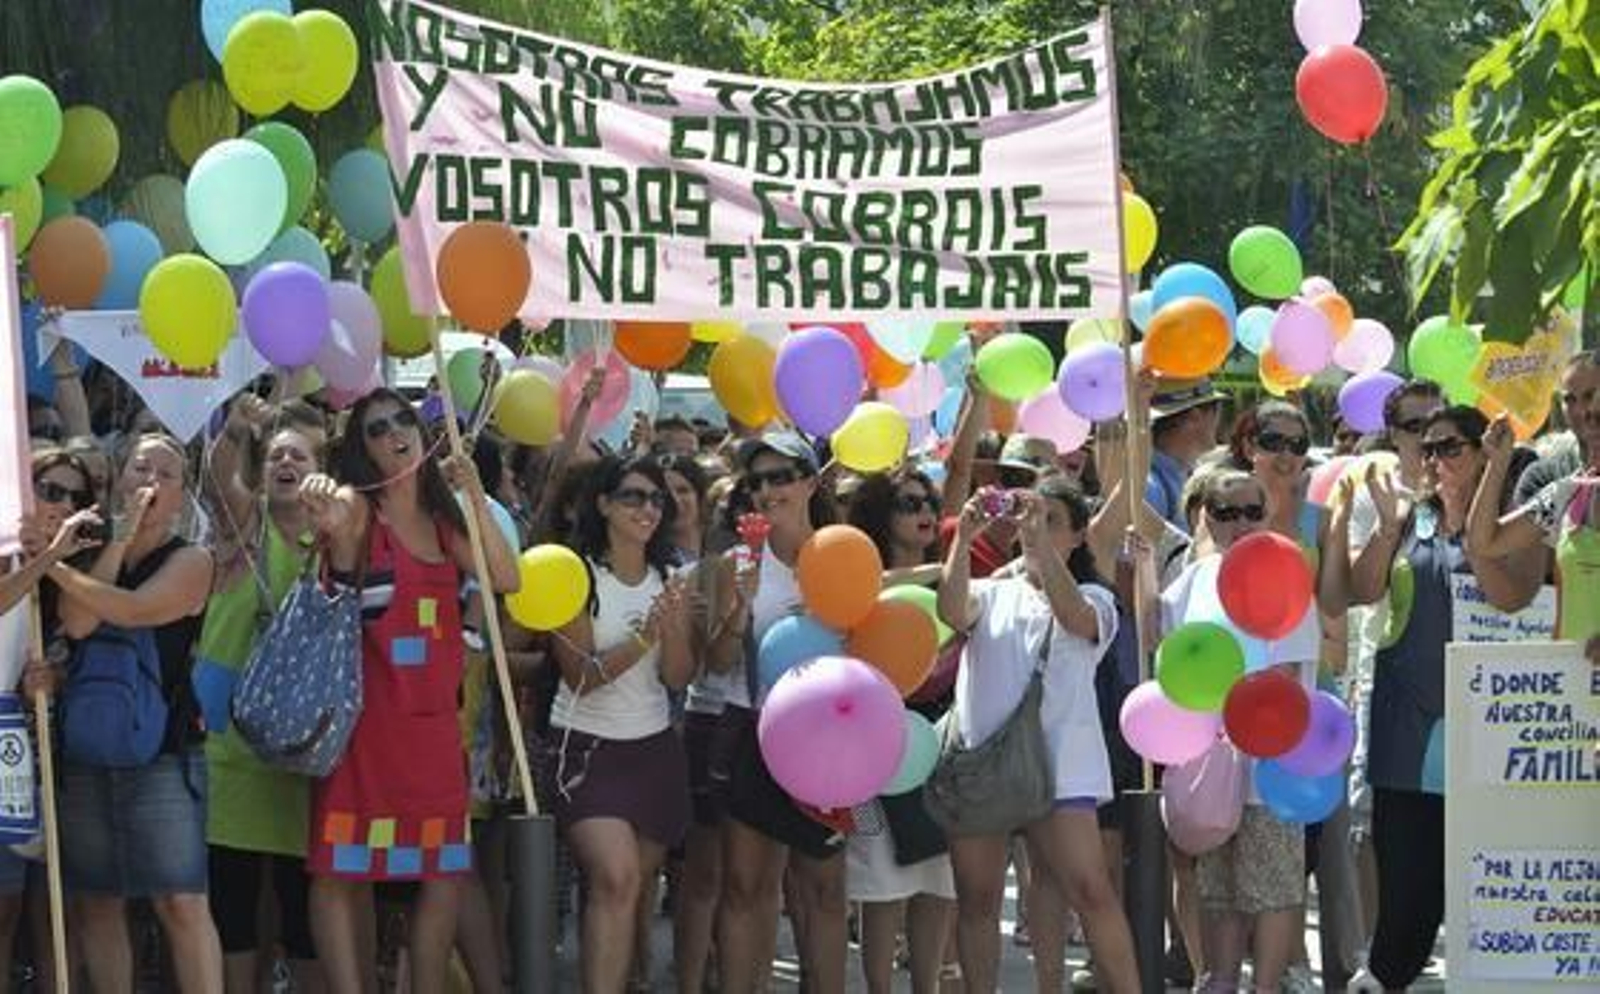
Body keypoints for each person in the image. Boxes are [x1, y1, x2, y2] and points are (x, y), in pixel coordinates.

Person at [297, 389, 520, 992]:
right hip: (364, 731)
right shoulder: (358, 510)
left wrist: (474, 493)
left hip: (432, 733)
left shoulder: (446, 523)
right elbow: (331, 513)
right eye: (377, 428)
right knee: (339, 873)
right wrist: (322, 500)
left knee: (444, 873)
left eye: (404, 420)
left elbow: (508, 576)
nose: (396, 432)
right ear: (360, 448)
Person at [1342, 405, 1544, 993]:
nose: (1434, 460)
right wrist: (1384, 528)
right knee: (1407, 893)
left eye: (1450, 447)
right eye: (1426, 449)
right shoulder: (1409, 522)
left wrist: (1473, 527)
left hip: (1495, 734)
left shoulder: (1521, 522)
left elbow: (1512, 598)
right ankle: (1380, 981)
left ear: (1485, 452)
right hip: (1409, 737)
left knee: (1485, 895)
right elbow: (1359, 590)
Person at [938, 476, 1140, 994]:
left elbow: (1074, 618)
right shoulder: (993, 590)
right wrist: (965, 537)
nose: (1036, 529)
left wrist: (1040, 549)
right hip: (985, 762)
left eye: (1053, 521)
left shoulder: (1096, 596)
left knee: (1090, 891)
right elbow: (951, 611)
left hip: (1064, 768)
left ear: (1078, 536)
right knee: (978, 898)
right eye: (1031, 518)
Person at [48, 434, 223, 992]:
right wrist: (112, 542)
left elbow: (132, 610)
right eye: (139, 467)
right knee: (98, 901)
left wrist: (49, 567)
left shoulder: (193, 560)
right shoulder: (90, 554)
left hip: (163, 753)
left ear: (182, 498)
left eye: (166, 474)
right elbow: (77, 623)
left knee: (180, 901)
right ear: (118, 481)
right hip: (88, 745)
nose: (149, 480)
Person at [708, 431, 849, 994]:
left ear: (811, 483)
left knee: (824, 888)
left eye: (782, 477)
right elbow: (716, 661)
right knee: (745, 885)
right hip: (752, 726)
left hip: (832, 735)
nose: (768, 490)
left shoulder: (845, 550)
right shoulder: (736, 562)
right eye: (757, 480)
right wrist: (739, 607)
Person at [548, 455, 695, 993]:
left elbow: (679, 676)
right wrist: (643, 637)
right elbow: (581, 677)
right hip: (586, 748)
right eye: (633, 496)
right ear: (603, 504)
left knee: (627, 889)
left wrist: (673, 627)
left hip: (653, 749)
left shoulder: (670, 575)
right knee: (617, 877)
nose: (648, 508)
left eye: (657, 498)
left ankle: (623, 978)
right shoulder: (576, 573)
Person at [197, 401, 326, 993]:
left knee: (305, 907)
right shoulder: (245, 527)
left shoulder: (336, 540)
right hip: (231, 749)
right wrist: (238, 429)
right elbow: (221, 474)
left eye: (300, 455)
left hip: (309, 751)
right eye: (276, 454)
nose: (286, 461)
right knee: (235, 899)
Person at [845, 469, 955, 994]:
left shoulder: (952, 581)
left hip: (939, 740)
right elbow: (865, 594)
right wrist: (937, 569)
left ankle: (927, 986)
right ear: (881, 515)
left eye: (927, 500)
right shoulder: (862, 577)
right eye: (908, 503)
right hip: (869, 752)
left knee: (940, 880)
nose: (924, 510)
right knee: (878, 880)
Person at [1468, 349, 1600, 661]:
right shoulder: (1567, 492)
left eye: (1592, 396)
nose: (1583, 411)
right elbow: (1484, 542)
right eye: (1570, 400)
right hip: (1572, 695)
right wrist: (1497, 463)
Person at [1145, 378, 1223, 532]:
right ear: (1195, 416)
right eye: (1216, 409)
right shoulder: (1151, 487)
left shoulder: (1186, 475)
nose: (1218, 420)